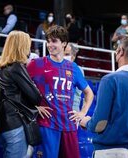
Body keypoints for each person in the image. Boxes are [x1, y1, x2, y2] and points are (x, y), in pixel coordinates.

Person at [80, 35, 128, 158]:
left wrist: (86, 122)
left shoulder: (110, 80)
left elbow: (99, 124)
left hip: (108, 152)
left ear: (120, 51)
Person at [27, 25, 94, 158]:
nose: (50, 45)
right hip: (47, 125)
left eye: (54, 41)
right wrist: (34, 107)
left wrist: (82, 113)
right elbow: (19, 89)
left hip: (68, 126)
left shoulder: (73, 67)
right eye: (49, 41)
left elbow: (89, 93)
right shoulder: (37, 64)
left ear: (64, 43)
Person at [0, 30, 49, 158]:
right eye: (28, 45)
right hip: (15, 124)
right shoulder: (17, 67)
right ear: (21, 46)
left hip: (7, 123)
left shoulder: (4, 68)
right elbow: (36, 97)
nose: (29, 49)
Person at [64, 42, 84, 112]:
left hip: (73, 110)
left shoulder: (78, 70)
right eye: (62, 54)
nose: (64, 57)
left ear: (73, 56)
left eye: (67, 54)